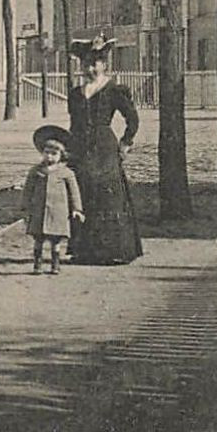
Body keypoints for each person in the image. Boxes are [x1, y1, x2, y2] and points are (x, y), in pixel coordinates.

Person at [65, 34, 142, 265]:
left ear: (104, 64)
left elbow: (133, 119)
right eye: (86, 63)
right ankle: (85, 250)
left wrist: (125, 143)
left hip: (105, 148)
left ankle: (112, 250)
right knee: (82, 194)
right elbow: (73, 124)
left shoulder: (113, 90)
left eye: (95, 63)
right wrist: (68, 149)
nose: (90, 68)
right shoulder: (76, 94)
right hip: (79, 148)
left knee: (108, 197)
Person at [23, 125, 85, 275]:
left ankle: (55, 264)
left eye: (54, 153)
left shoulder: (66, 173)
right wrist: (25, 208)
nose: (49, 157)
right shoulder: (36, 171)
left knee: (56, 241)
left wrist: (77, 209)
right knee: (38, 239)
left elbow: (74, 192)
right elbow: (27, 191)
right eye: (46, 153)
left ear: (61, 155)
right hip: (39, 211)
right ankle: (37, 265)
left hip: (58, 212)